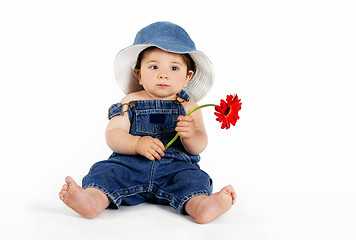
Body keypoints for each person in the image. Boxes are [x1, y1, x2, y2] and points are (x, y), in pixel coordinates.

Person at [59, 21, 236, 224]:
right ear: (139, 74)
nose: (163, 74)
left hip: (174, 167)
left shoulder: (189, 105)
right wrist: (136, 144)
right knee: (106, 173)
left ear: (187, 77)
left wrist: (191, 135)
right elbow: (113, 134)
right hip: (130, 164)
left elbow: (200, 145)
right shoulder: (130, 101)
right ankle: (91, 200)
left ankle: (201, 206)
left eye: (174, 67)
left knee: (193, 180)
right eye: (153, 66)